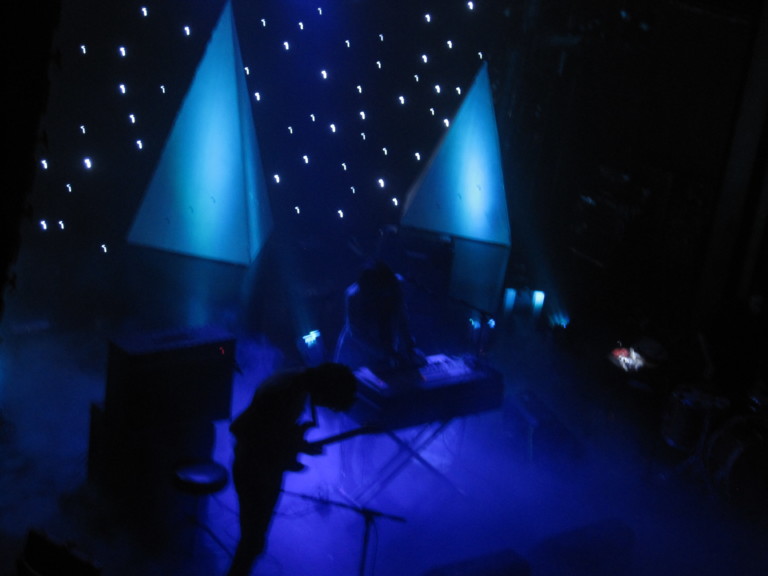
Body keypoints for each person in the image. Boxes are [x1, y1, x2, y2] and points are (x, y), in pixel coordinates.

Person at [225, 362, 358, 576]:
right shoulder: (284, 393)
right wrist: (297, 447)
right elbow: (250, 434)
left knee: (252, 542)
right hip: (256, 470)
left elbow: (272, 433)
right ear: (325, 387)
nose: (325, 405)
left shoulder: (294, 382)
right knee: (252, 542)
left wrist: (297, 444)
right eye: (328, 400)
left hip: (261, 467)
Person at [334, 261, 424, 369]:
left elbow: (401, 317)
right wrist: (387, 354)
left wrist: (410, 345)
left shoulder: (396, 285)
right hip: (357, 350)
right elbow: (357, 333)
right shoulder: (353, 297)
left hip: (384, 346)